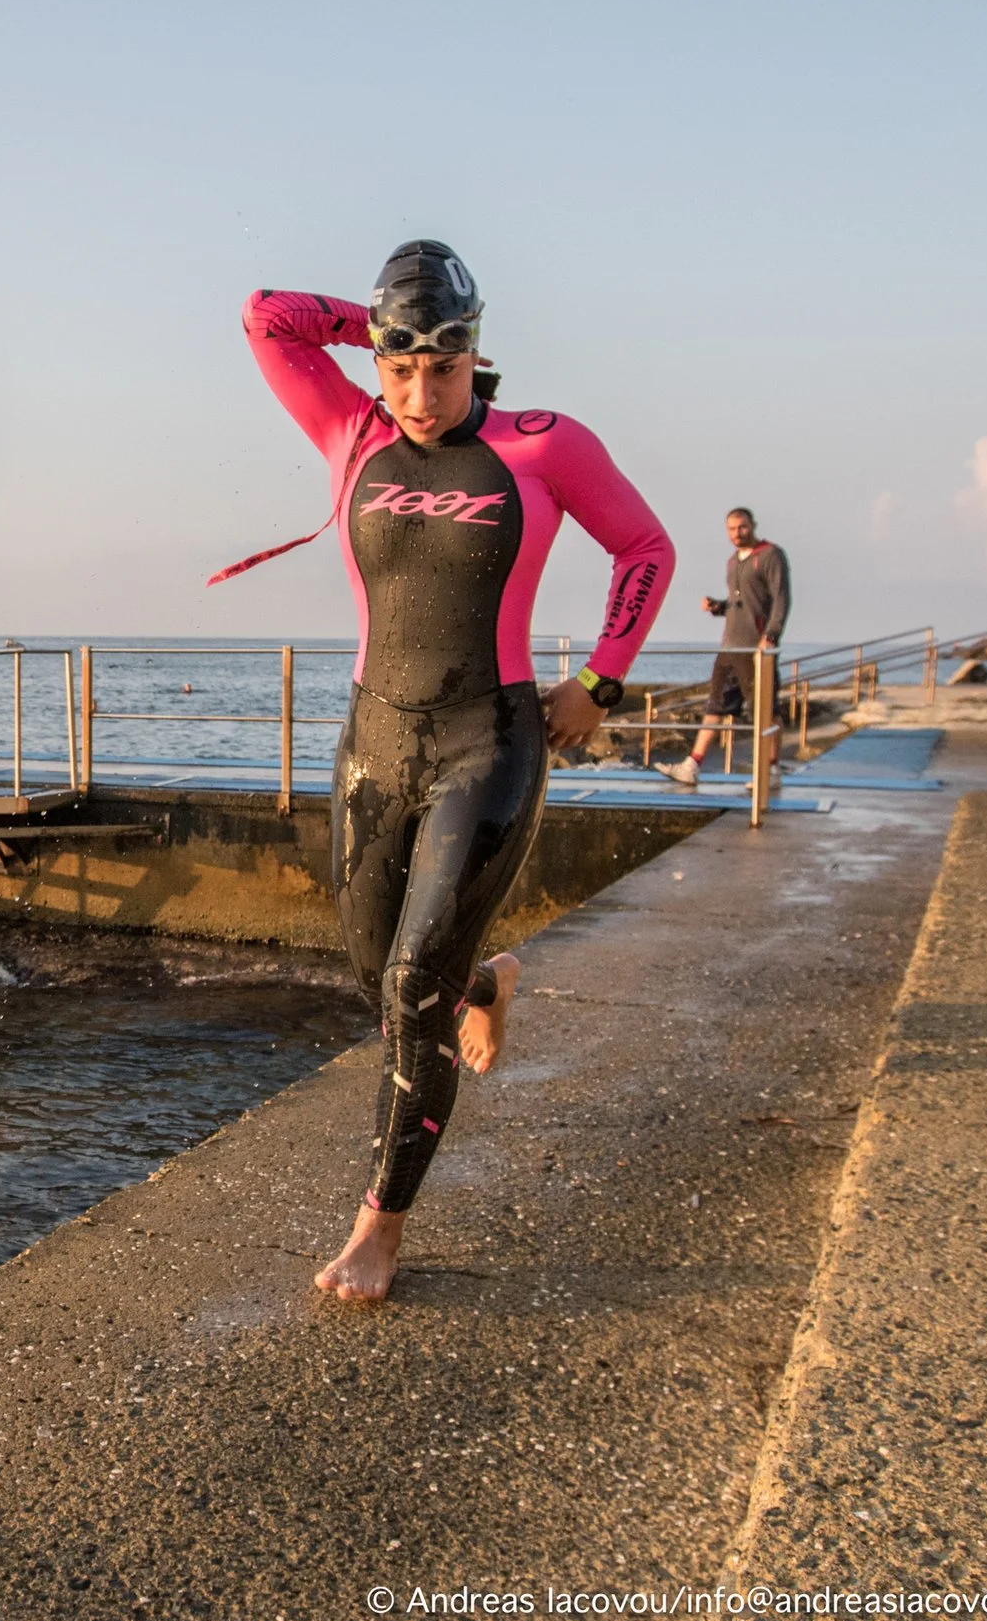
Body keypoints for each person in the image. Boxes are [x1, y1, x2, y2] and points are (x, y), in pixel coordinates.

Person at [242, 240, 676, 1303]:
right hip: (374, 743)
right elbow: (265, 314)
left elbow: (646, 549)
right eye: (399, 368)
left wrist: (603, 684)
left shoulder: (543, 445)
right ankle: (487, 980)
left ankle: (378, 1227)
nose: (419, 394)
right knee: (377, 976)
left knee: (404, 985)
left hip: (490, 739)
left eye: (441, 368)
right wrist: (378, 321)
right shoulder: (352, 431)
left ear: (475, 356)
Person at [658, 508, 790, 786]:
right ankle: (692, 765)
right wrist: (718, 606)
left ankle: (771, 769)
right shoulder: (732, 562)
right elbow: (738, 603)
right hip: (729, 646)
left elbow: (780, 599)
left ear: (752, 525)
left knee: (765, 709)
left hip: (756, 648)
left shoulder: (770, 556)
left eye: (742, 527)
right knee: (714, 706)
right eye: (731, 529)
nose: (737, 534)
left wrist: (772, 635)